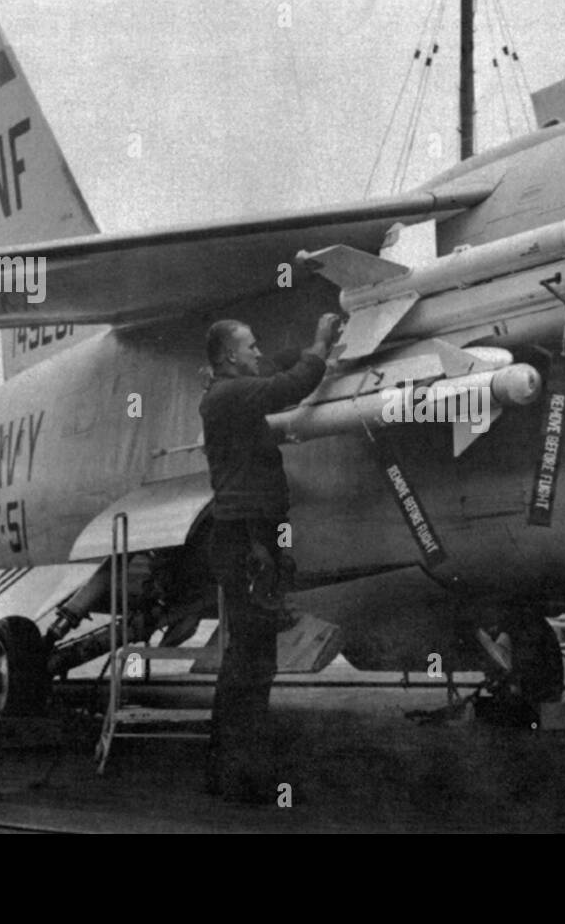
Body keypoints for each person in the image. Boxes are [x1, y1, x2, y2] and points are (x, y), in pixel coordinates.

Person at [199, 312, 339, 801]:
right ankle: (243, 775)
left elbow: (278, 368)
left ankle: (228, 769)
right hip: (248, 539)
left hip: (253, 536)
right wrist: (320, 341)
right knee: (253, 661)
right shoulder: (231, 396)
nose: (258, 353)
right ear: (230, 356)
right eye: (251, 346)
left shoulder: (227, 395)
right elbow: (293, 384)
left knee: (249, 656)